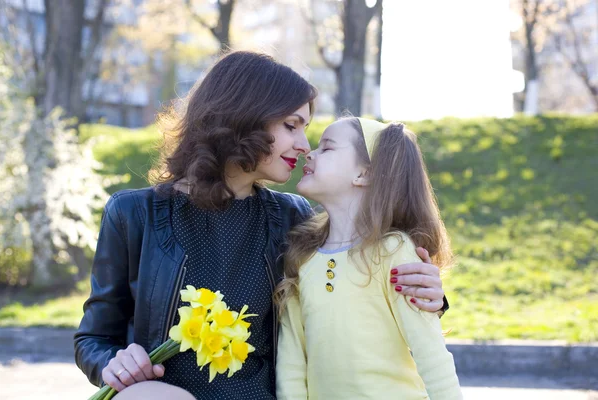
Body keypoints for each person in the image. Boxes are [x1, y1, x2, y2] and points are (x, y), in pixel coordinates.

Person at [74, 51, 448, 400]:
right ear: (243, 115)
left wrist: (430, 293)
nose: (304, 145)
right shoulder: (132, 214)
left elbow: (356, 290)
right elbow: (93, 337)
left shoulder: (295, 219)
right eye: (291, 126)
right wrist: (112, 363)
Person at [276, 117, 463, 399]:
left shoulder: (394, 251)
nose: (310, 153)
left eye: (327, 148)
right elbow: (291, 365)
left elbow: (431, 354)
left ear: (364, 174)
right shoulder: (302, 259)